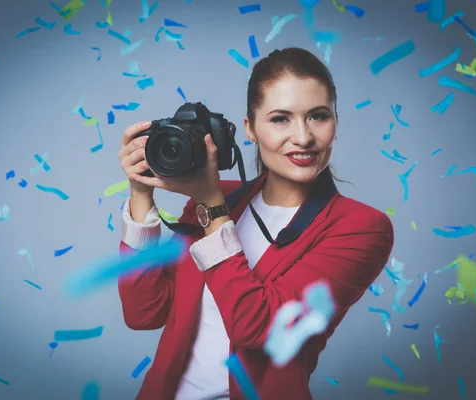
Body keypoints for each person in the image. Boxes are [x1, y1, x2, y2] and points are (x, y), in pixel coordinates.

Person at [117, 47, 394, 400]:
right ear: (249, 128)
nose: (303, 137)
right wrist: (141, 194)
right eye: (281, 118)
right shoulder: (222, 199)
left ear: (336, 121)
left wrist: (210, 204)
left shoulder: (361, 227)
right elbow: (145, 312)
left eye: (317, 116)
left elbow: (257, 327)